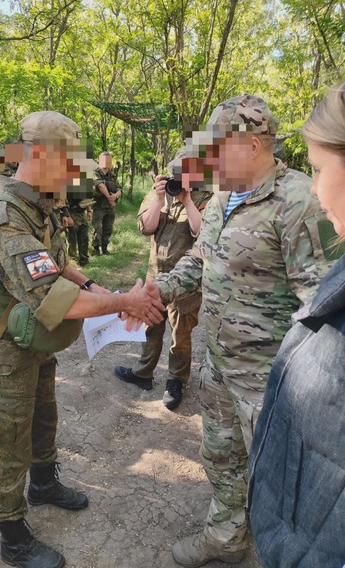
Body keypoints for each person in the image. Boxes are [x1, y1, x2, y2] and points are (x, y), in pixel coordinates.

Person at [0, 110, 165, 568]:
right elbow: (54, 297)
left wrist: (103, 291)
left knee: (43, 419)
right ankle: (12, 535)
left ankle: (44, 485)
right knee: (8, 437)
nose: (75, 172)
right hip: (4, 353)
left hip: (36, 344)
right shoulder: (2, 218)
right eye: (69, 162)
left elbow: (60, 265)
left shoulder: (40, 206)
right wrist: (123, 304)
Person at [152, 94, 335, 567]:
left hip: (269, 382)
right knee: (220, 456)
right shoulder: (220, 198)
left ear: (252, 144)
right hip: (217, 367)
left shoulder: (299, 201)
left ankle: (277, 554)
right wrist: (160, 291)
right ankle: (227, 536)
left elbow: (322, 307)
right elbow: (200, 259)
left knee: (279, 481)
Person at [248, 83, 345, 568]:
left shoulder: (296, 204)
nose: (315, 185)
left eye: (321, 169)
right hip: (227, 367)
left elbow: (315, 297)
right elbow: (205, 261)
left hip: (260, 374)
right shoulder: (229, 195)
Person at [115, 167, 212, 409]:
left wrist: (188, 200)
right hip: (155, 276)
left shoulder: (206, 196)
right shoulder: (158, 192)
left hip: (186, 282)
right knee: (150, 327)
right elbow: (145, 227)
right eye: (175, 174)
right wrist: (159, 199)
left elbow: (202, 233)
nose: (179, 180)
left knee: (181, 335)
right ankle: (143, 373)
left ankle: (176, 381)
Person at [92, 151, 122, 255]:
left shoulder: (112, 175)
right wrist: (110, 198)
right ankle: (96, 249)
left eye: (109, 160)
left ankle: (105, 248)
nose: (107, 162)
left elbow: (119, 189)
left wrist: (115, 196)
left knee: (108, 228)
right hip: (98, 206)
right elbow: (100, 185)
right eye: (104, 159)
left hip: (110, 207)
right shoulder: (95, 173)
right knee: (97, 228)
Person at [64, 198, 93, 266]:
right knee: (72, 238)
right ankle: (72, 260)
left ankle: (84, 260)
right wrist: (68, 216)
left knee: (84, 237)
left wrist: (89, 211)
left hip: (82, 213)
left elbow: (87, 199)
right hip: (71, 212)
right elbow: (63, 202)